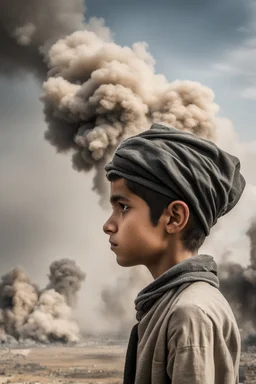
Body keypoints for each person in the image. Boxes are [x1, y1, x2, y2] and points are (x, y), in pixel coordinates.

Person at [103, 123, 245, 384]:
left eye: (123, 207)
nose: (108, 225)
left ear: (174, 217)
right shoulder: (173, 304)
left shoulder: (189, 313)